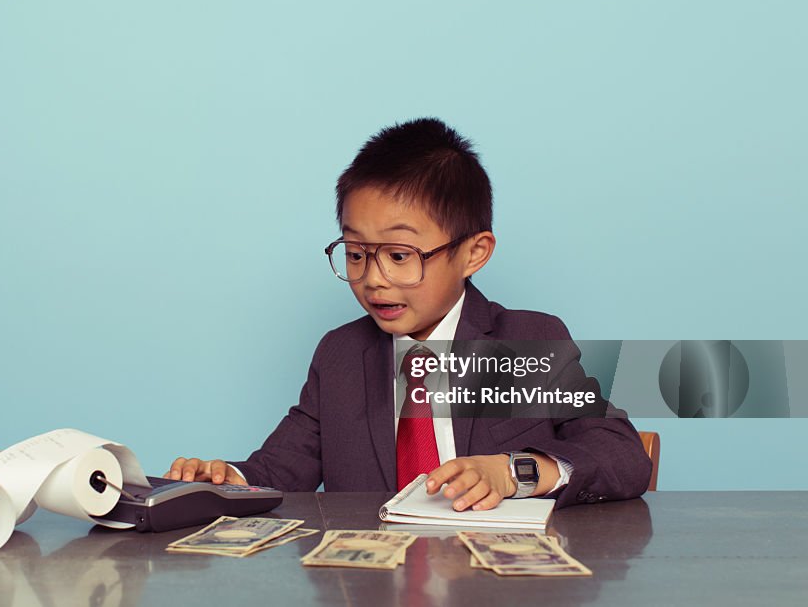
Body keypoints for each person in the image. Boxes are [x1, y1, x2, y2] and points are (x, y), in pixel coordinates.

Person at [166, 118, 652, 510]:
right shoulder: (341, 354)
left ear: (474, 253)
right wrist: (225, 479)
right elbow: (278, 470)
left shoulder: (527, 340)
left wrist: (512, 472)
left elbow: (623, 456)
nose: (373, 278)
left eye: (400, 255)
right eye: (356, 253)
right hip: (369, 582)